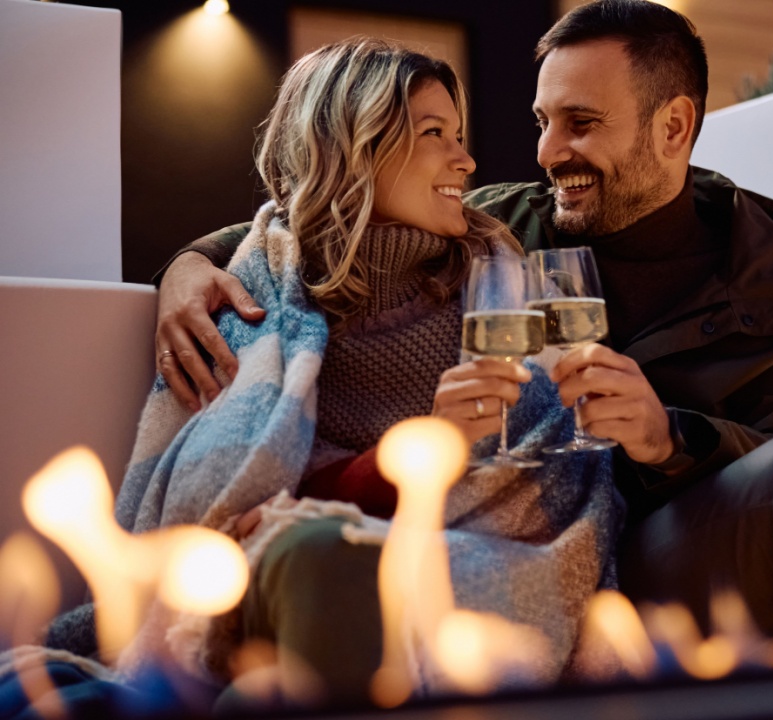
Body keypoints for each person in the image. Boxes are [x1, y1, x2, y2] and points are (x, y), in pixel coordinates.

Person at [152, 0, 773, 647]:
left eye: (580, 123)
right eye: (543, 121)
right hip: (546, 550)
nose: (547, 152)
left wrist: (668, 439)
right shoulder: (501, 225)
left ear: (674, 126)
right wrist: (187, 263)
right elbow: (330, 211)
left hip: (671, 555)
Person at [42, 38, 621, 709]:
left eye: (458, 135)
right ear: (352, 147)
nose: (465, 160)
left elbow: (550, 474)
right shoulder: (261, 292)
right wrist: (410, 457)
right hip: (293, 575)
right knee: (316, 558)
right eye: (434, 134)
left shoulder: (500, 276)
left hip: (475, 564)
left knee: (321, 577)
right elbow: (233, 503)